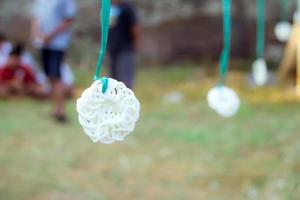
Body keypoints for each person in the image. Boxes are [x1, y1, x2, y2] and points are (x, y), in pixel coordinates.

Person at [31, 0, 77, 122]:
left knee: (56, 75)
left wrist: (50, 35)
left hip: (57, 44)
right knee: (49, 76)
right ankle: (55, 108)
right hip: (43, 44)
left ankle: (61, 110)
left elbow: (69, 19)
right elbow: (36, 17)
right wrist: (36, 34)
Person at [108, 0, 140, 89]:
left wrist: (135, 43)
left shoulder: (127, 7)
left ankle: (127, 99)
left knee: (126, 77)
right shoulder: (108, 6)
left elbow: (134, 27)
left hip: (125, 48)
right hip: (112, 48)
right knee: (112, 79)